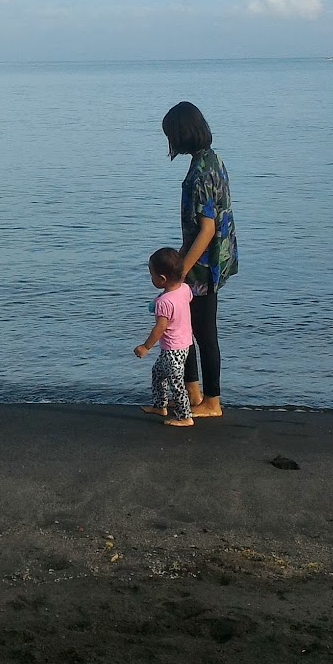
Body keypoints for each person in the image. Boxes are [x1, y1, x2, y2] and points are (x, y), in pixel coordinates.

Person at [161, 101, 238, 418]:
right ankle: (193, 392)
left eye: (171, 136)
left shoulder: (202, 174)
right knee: (185, 325)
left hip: (204, 265)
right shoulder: (212, 159)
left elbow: (207, 229)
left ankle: (213, 401)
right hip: (213, 259)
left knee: (203, 332)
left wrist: (182, 269)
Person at [135, 247, 195, 427]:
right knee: (158, 373)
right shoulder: (184, 289)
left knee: (176, 382)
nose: (151, 278)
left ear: (162, 279)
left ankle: (185, 417)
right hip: (185, 344)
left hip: (173, 349)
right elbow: (184, 300)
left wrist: (146, 347)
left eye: (152, 275)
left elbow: (160, 328)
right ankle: (160, 405)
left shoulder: (163, 303)